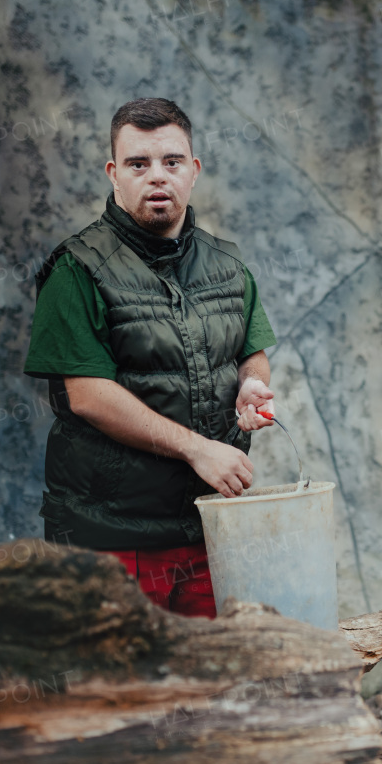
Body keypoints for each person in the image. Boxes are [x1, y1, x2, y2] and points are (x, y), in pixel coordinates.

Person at [22, 98, 279, 618]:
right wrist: (198, 450)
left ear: (194, 170)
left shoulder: (228, 264)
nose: (157, 176)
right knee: (120, 692)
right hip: (112, 538)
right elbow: (89, 396)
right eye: (139, 164)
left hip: (209, 528)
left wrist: (252, 385)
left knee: (208, 688)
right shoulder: (76, 269)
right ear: (115, 174)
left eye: (172, 161)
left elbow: (252, 354)